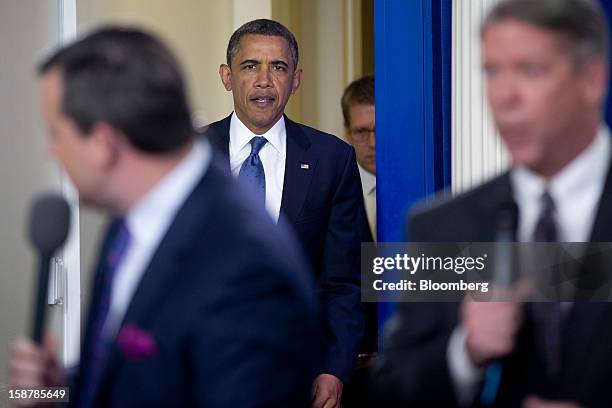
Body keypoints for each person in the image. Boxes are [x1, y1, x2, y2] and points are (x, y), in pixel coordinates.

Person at [9, 26, 321, 407]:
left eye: (56, 134)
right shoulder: (132, 214)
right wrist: (58, 390)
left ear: (104, 145)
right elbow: (140, 378)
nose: (50, 153)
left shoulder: (246, 267)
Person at [370, 1, 612, 407]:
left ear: (591, 79)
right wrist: (465, 354)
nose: (504, 96)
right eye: (491, 72)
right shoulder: (442, 227)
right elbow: (392, 391)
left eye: (530, 70)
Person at [202, 19, 365, 408]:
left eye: (278, 67)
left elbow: (343, 280)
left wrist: (334, 368)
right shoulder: (188, 157)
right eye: (249, 66)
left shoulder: (332, 159)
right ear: (227, 77)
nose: (264, 80)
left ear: (295, 80)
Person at [342, 74, 376, 243]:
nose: (373, 143)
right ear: (348, 132)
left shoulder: (424, 184)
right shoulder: (335, 191)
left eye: (380, 130)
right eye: (361, 132)